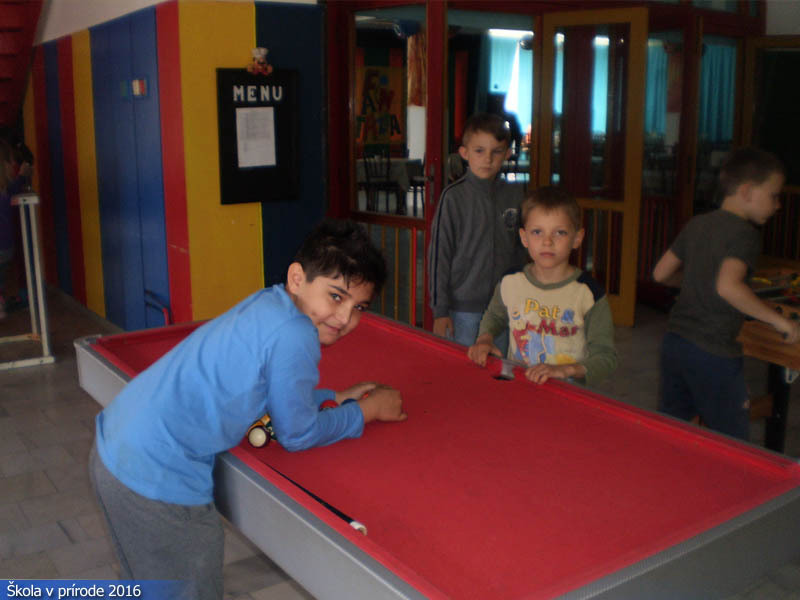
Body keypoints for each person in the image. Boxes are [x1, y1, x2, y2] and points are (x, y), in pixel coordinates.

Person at [89, 220, 407, 599]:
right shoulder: (297, 333)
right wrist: (366, 413)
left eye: (359, 308)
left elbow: (269, 385)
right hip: (157, 480)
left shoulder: (270, 301)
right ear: (297, 278)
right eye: (337, 297)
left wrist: (332, 399)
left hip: (118, 446)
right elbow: (298, 433)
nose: (345, 319)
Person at [652, 147, 800, 440]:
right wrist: (780, 321)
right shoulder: (745, 234)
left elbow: (660, 274)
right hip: (713, 352)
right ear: (747, 191)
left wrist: (697, 280)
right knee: (732, 440)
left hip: (675, 344)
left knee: (672, 429)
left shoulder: (697, 224)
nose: (778, 205)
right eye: (773, 195)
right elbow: (729, 287)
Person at [468, 186, 617, 386]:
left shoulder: (589, 294)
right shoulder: (510, 282)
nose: (547, 242)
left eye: (560, 232)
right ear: (524, 237)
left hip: (568, 395)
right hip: (520, 388)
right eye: (537, 232)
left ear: (577, 238)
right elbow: (495, 316)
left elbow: (606, 357)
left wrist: (566, 370)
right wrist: (485, 339)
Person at [428, 112, 526, 346]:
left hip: (505, 306)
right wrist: (440, 310)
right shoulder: (453, 197)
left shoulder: (516, 195)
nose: (487, 159)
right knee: (464, 365)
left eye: (496, 151)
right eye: (479, 150)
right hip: (463, 309)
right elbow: (439, 256)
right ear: (465, 153)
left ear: (508, 154)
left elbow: (522, 251)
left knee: (499, 363)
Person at [0, 138, 31, 319]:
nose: (13, 164)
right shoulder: (6, 190)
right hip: (6, 248)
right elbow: (15, 187)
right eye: (11, 160)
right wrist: (22, 175)